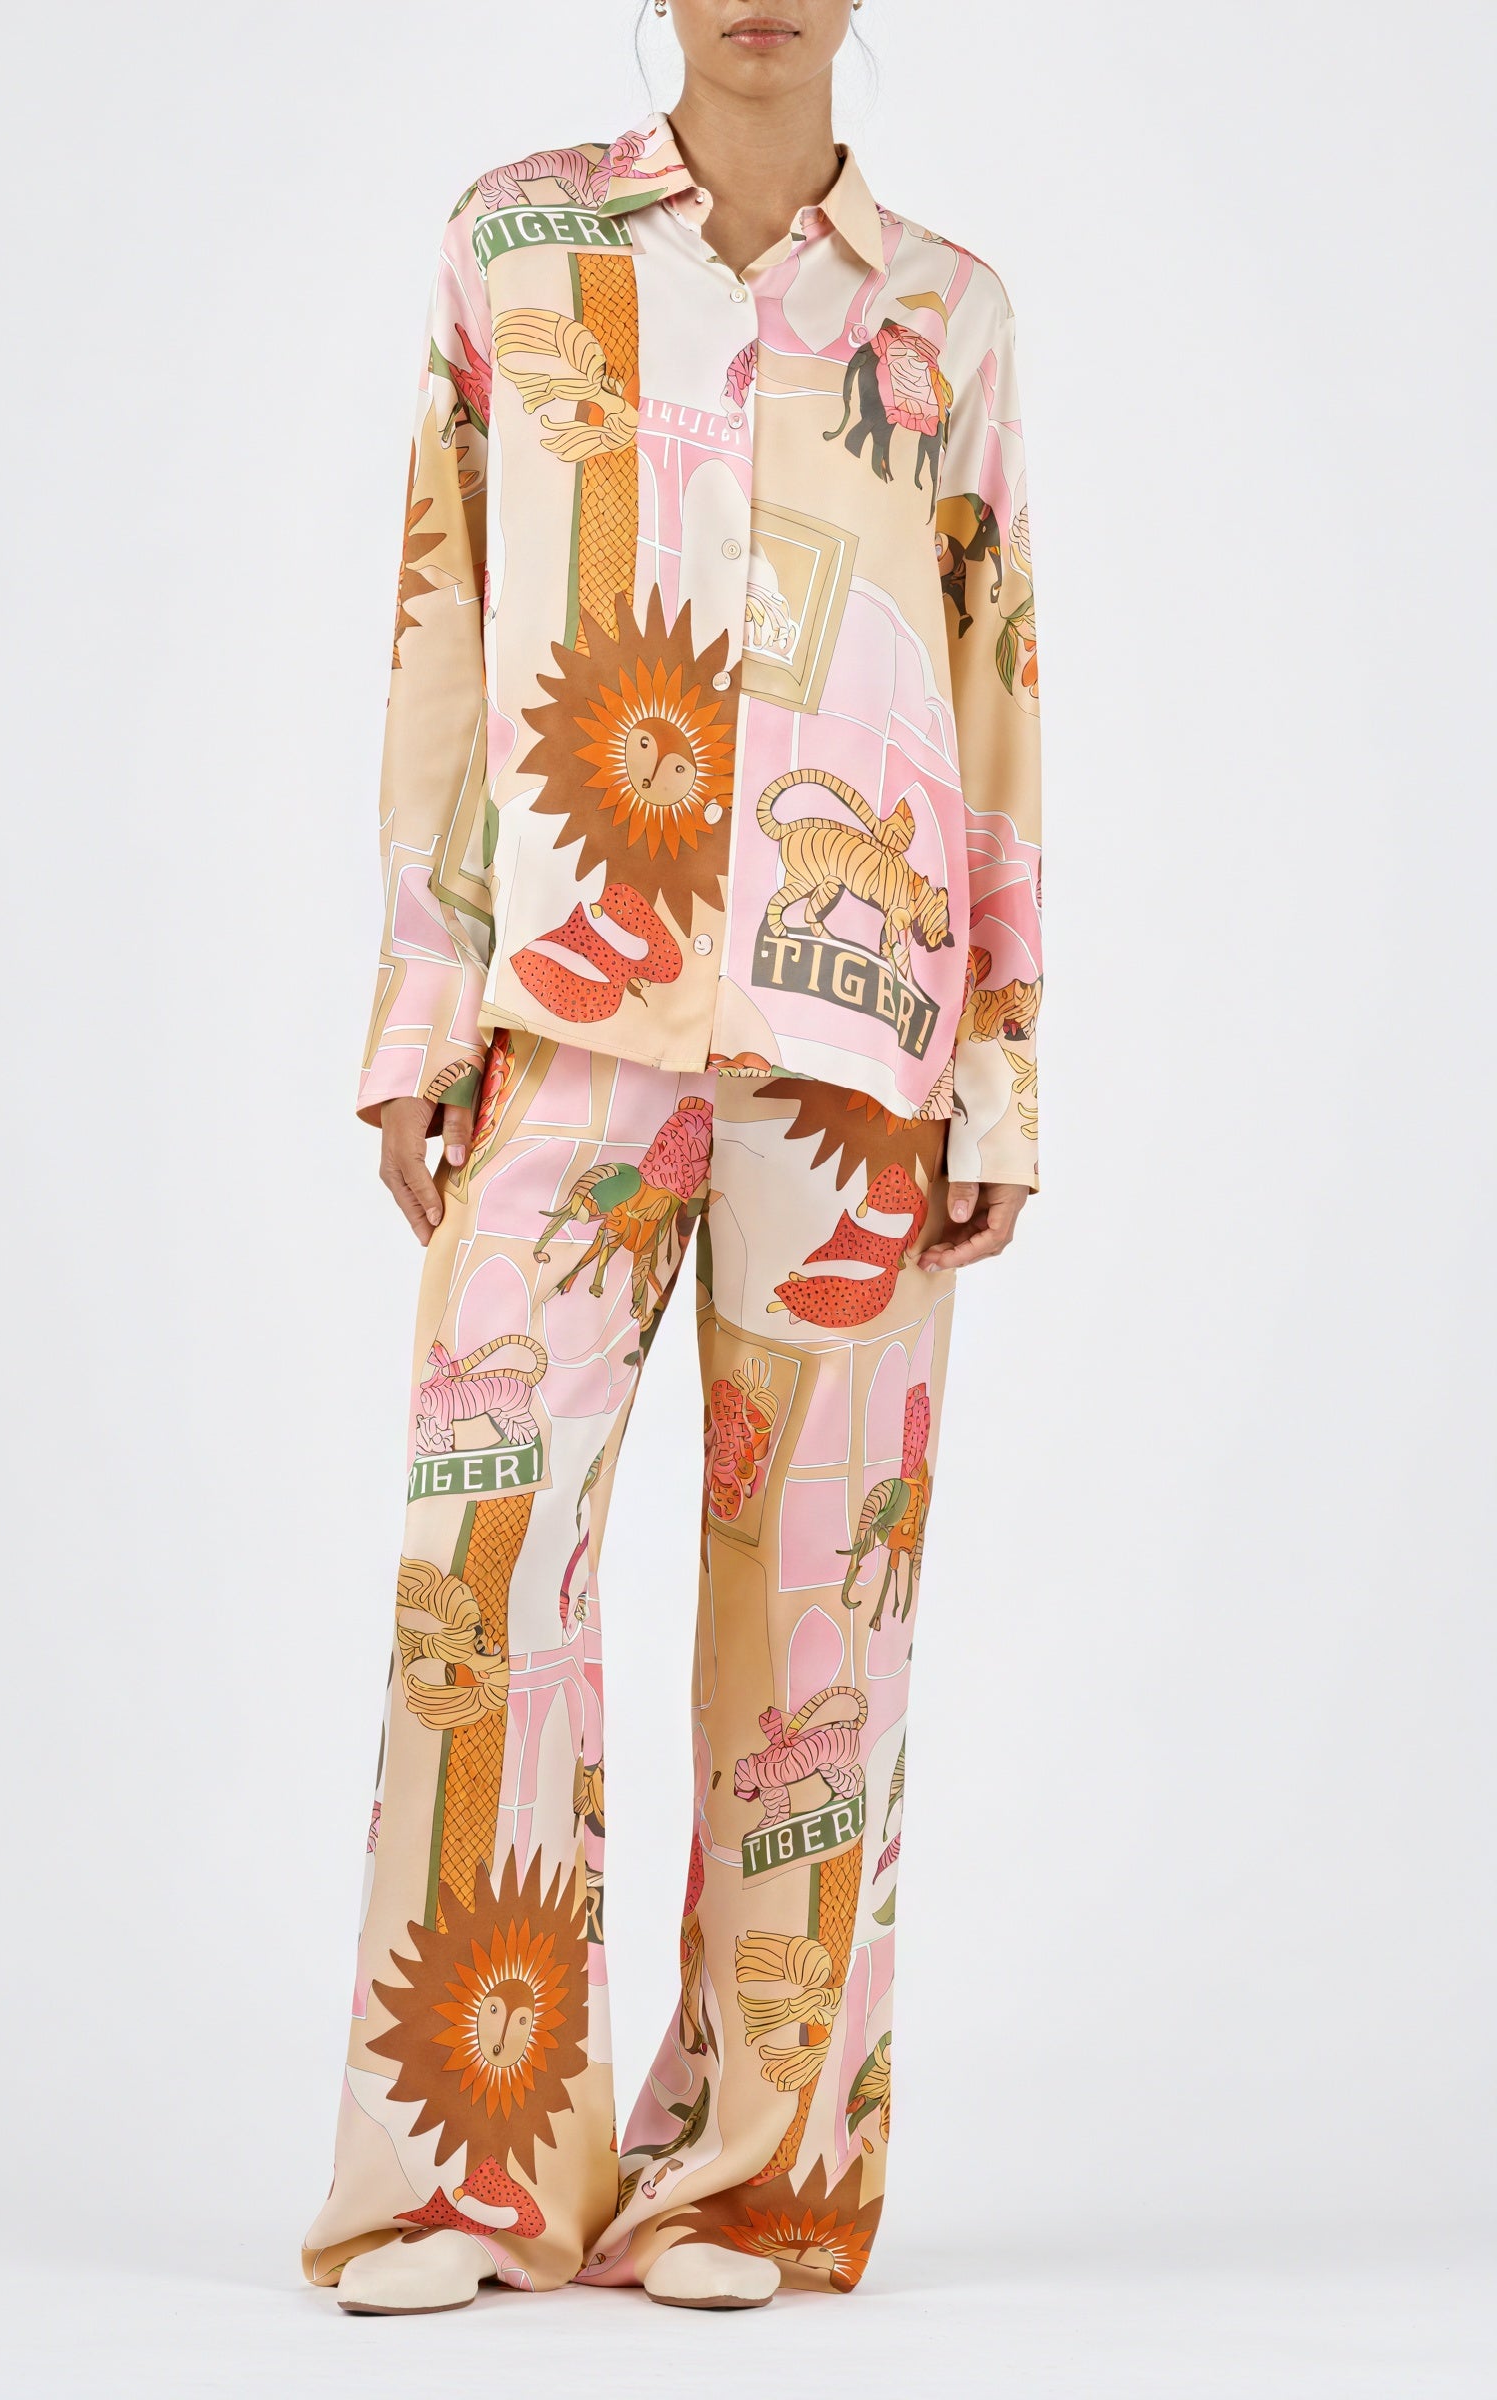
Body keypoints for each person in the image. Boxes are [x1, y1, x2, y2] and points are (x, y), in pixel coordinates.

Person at [303, 0, 1041, 2315]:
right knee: (483, 1569)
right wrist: (421, 1008)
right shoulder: (515, 247)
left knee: (815, 1620)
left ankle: (746, 2180)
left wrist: (998, 1061)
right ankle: (461, 2178)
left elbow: (994, 676)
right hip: (563, 1012)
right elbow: (444, 628)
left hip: (854, 1045)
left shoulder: (944, 314)